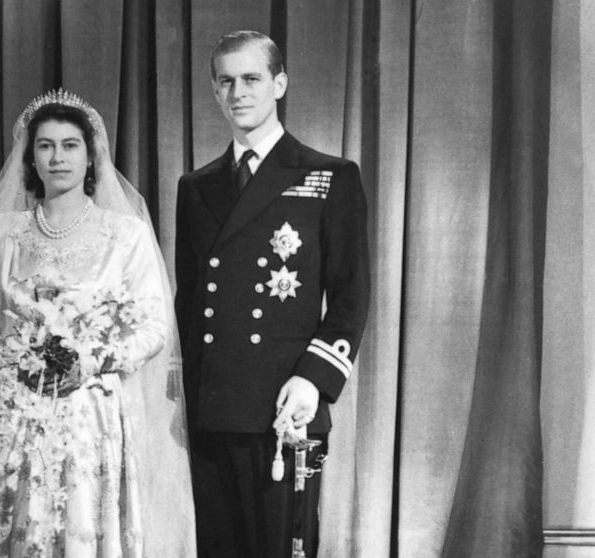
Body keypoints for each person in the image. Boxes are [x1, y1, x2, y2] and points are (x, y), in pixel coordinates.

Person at [0, 90, 196, 557]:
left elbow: (153, 327)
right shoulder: (7, 231)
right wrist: (12, 361)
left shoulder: (125, 233)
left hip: (91, 412)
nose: (58, 157)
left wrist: (92, 362)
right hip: (17, 413)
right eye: (46, 145)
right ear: (31, 157)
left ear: (91, 157)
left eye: (71, 145)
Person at [174, 31, 370, 558]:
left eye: (252, 79)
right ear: (215, 91)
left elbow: (351, 297)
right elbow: (189, 303)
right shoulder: (196, 187)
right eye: (226, 81)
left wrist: (315, 380)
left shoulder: (328, 176)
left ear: (279, 84)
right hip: (212, 404)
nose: (239, 92)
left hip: (284, 405)